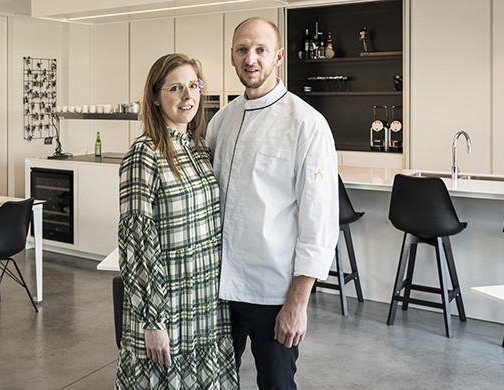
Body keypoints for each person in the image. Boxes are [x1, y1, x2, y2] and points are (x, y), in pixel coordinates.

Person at [205, 17, 338, 389]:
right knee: (215, 382)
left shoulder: (307, 125)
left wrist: (297, 303)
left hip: (273, 293)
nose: (251, 58)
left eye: (261, 50)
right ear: (232, 57)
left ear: (278, 56)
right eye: (243, 50)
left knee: (277, 385)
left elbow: (319, 223)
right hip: (220, 288)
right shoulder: (222, 120)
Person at [116, 53, 237, 389]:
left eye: (194, 86)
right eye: (176, 88)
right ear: (155, 97)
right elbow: (137, 244)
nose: (188, 96)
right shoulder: (144, 155)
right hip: (168, 306)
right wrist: (152, 321)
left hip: (205, 303)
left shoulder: (199, 150)